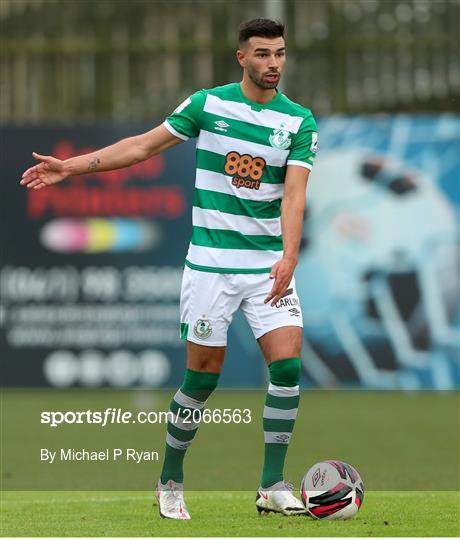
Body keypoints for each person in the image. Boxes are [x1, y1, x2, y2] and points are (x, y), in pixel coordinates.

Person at [20, 18, 318, 520]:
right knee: (202, 378)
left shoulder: (299, 121)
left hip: (267, 268)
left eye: (281, 54)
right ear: (241, 57)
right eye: (263, 54)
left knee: (287, 369)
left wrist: (289, 256)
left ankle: (272, 484)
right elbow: (141, 146)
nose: (274, 63)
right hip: (209, 266)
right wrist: (69, 167)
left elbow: (294, 195)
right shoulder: (207, 104)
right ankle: (170, 478)